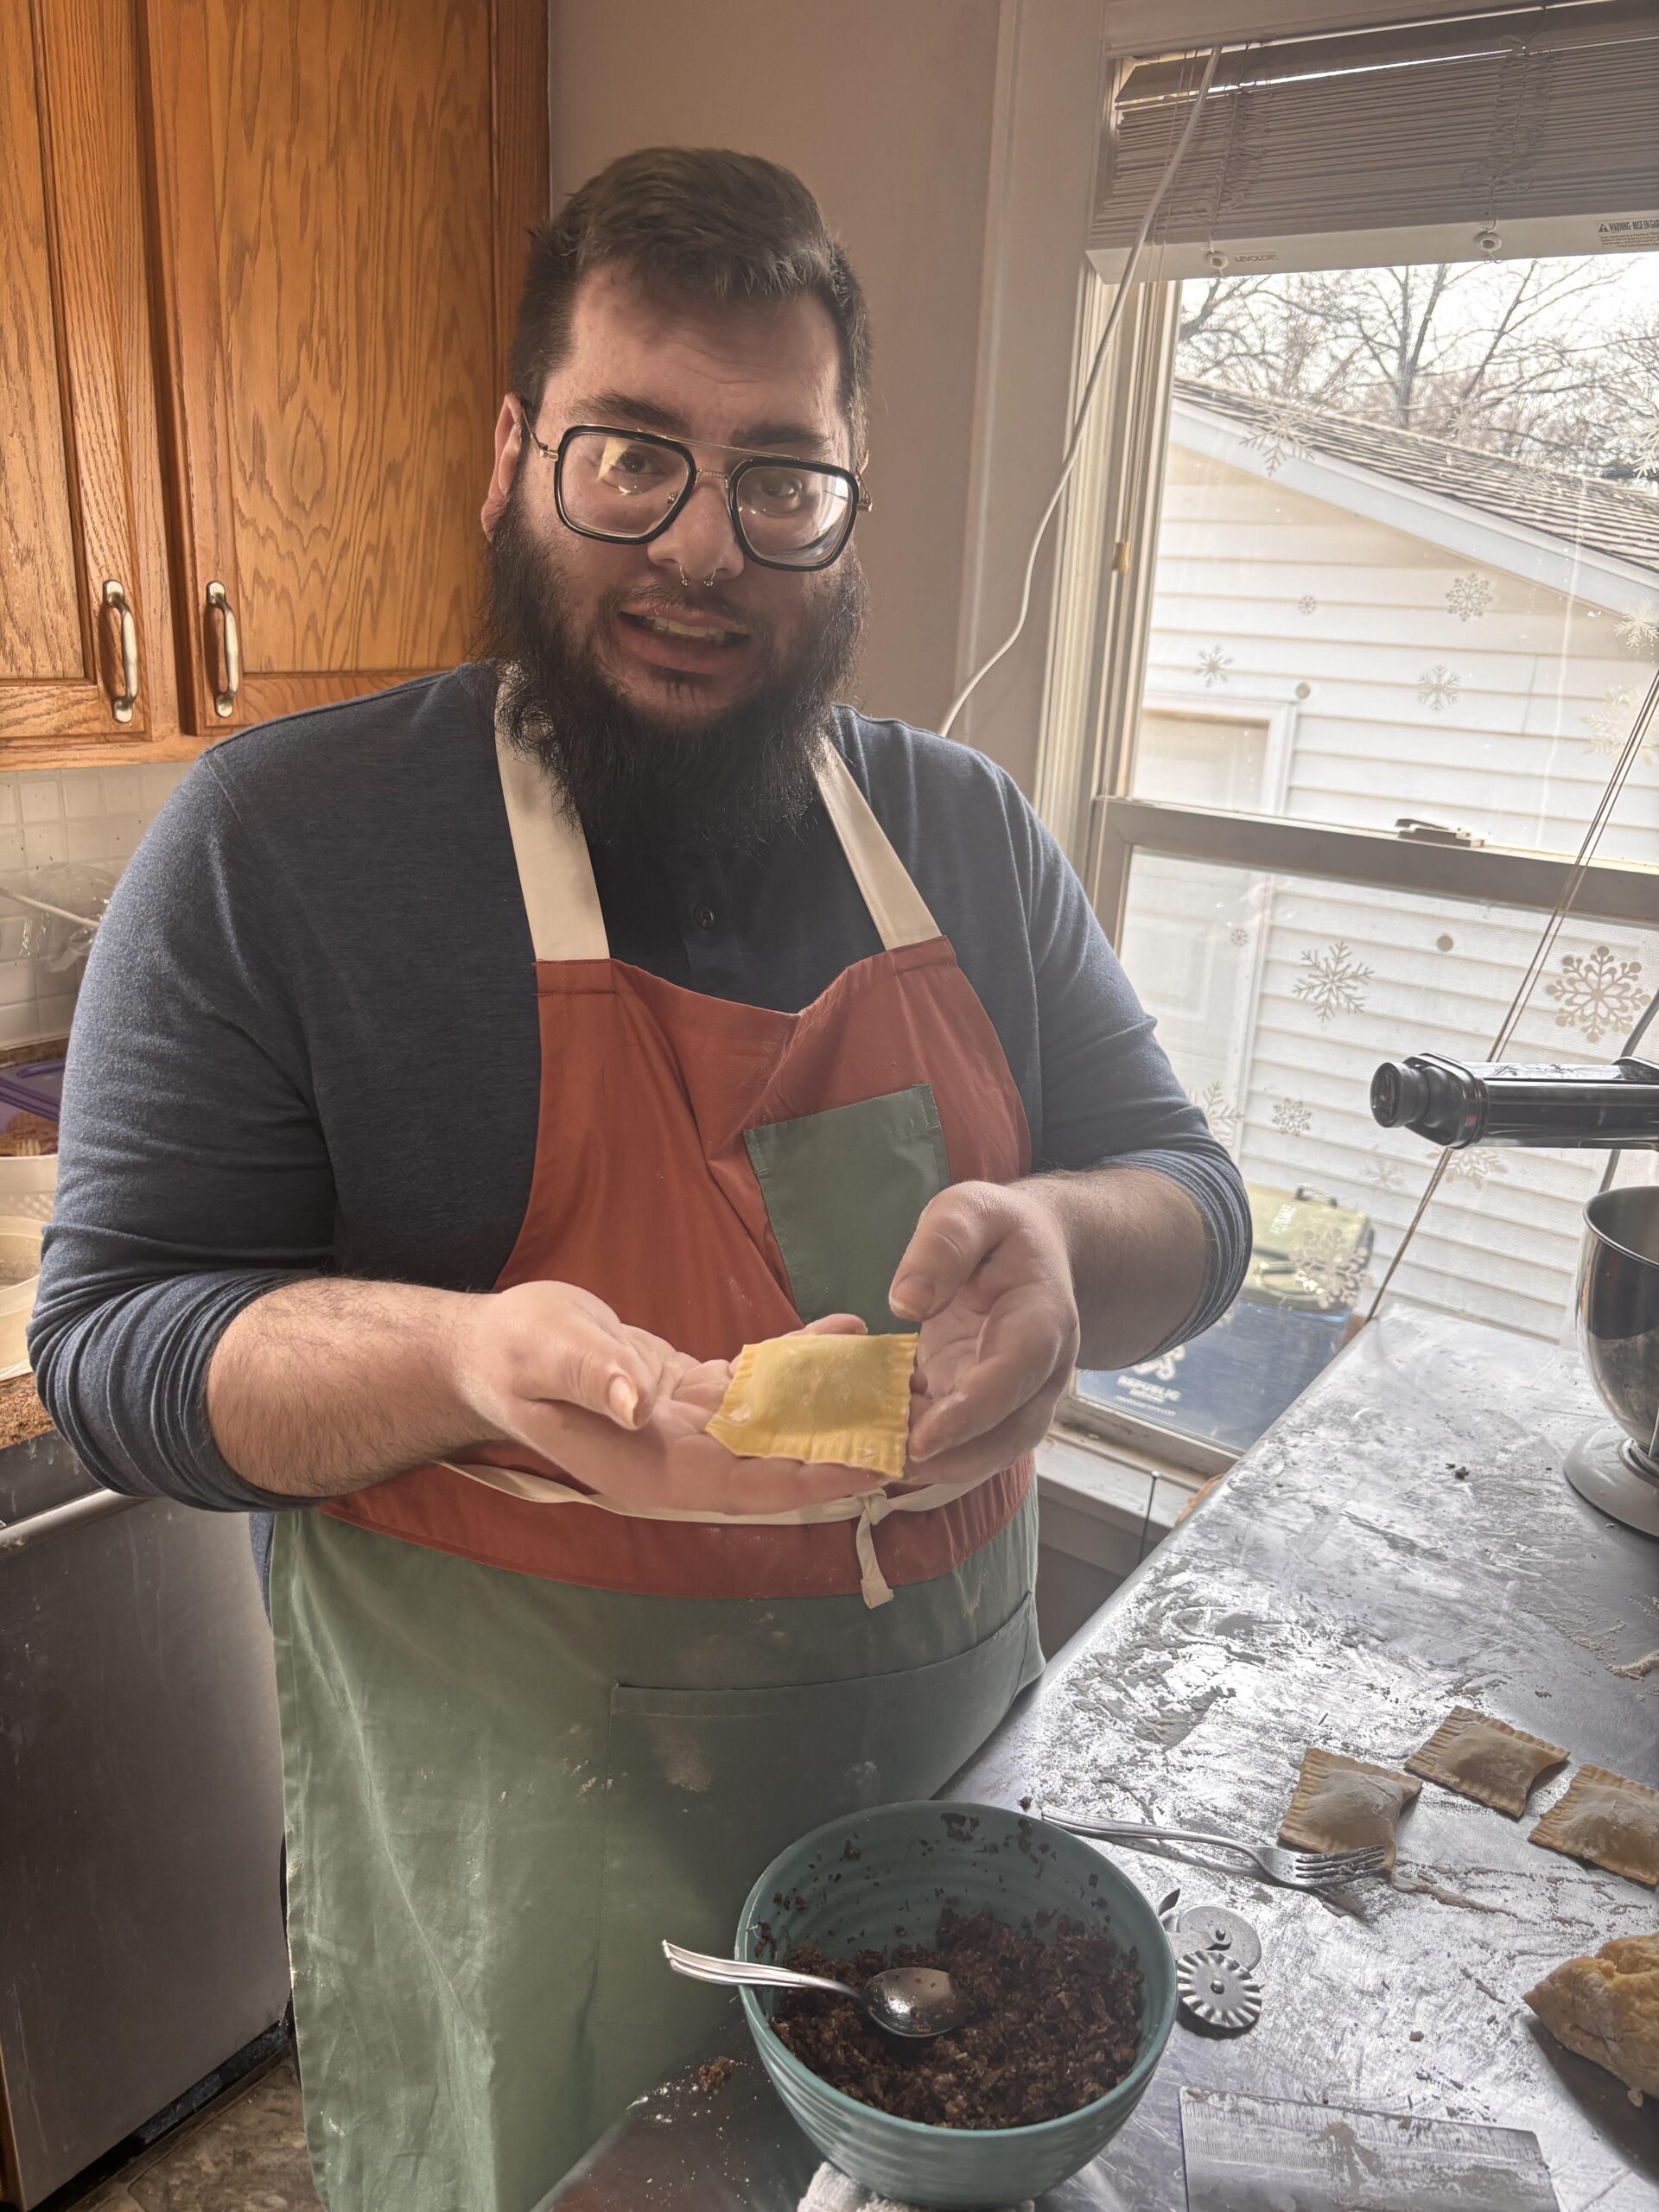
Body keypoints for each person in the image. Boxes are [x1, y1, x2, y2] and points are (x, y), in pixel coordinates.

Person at [32, 148, 1249, 2211]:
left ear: (850, 500)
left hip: (948, 1860)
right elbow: (115, 1347)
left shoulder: (964, 830)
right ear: (514, 455)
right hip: (534, 1894)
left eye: (781, 476)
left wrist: (1060, 1238)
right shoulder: (280, 849)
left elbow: (1191, 1202)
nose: (702, 545)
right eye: (630, 456)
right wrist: (459, 1362)